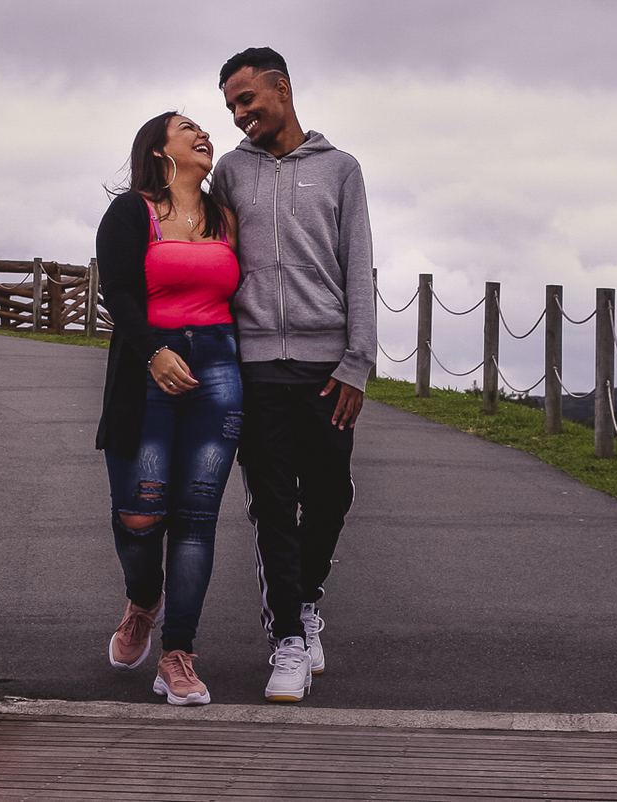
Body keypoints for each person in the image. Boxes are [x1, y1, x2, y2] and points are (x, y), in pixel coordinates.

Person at [212, 48, 375, 702]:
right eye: (230, 107)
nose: (239, 115)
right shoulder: (228, 172)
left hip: (327, 366)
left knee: (331, 494)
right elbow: (213, 260)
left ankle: (307, 603)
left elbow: (358, 266)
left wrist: (357, 361)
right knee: (273, 507)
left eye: (247, 100)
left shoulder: (341, 170)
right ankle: (287, 639)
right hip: (255, 367)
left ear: (281, 87)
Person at [94, 111, 242, 706]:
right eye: (188, 128)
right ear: (160, 150)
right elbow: (118, 292)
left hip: (218, 367)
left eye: (205, 127)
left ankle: (177, 654)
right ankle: (143, 600)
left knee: (196, 519)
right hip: (146, 367)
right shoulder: (132, 212)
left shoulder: (226, 218)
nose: (204, 133)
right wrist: (154, 350)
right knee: (138, 514)